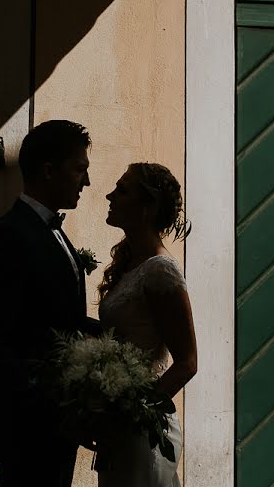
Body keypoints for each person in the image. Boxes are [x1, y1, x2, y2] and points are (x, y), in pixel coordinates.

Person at [0, 119, 100, 487]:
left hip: (59, 428)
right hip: (28, 429)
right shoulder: (9, 237)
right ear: (48, 171)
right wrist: (50, 408)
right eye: (79, 170)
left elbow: (54, 320)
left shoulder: (50, 233)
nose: (86, 183)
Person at [95, 162, 198, 487]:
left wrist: (133, 412)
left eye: (122, 190)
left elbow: (187, 363)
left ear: (147, 207)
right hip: (118, 425)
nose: (110, 195)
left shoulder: (160, 272)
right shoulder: (131, 265)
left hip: (142, 428)